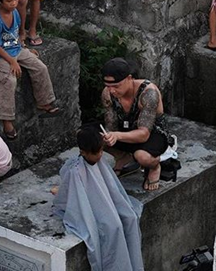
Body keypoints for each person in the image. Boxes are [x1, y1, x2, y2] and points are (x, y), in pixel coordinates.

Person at [52, 123, 144, 271]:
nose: (99, 155)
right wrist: (62, 192)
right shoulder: (75, 171)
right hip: (91, 207)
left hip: (107, 202)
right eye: (95, 153)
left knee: (130, 217)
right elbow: (74, 199)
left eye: (101, 151)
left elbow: (112, 189)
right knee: (114, 227)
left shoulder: (100, 162)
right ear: (83, 152)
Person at [0, 0, 61, 140]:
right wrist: (12, 61)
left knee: (40, 67)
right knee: (8, 80)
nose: (13, 3)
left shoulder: (16, 13)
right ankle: (7, 120)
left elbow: (17, 35)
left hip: (16, 49)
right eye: (9, 0)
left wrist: (24, 48)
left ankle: (44, 101)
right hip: (0, 54)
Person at [101, 57, 170, 191]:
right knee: (89, 136)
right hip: (124, 130)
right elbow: (111, 125)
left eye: (116, 86)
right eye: (108, 86)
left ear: (129, 78)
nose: (112, 91)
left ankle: (155, 166)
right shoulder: (107, 93)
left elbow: (144, 134)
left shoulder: (148, 92)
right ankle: (123, 157)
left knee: (142, 156)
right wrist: (109, 136)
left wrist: (116, 135)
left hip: (151, 133)